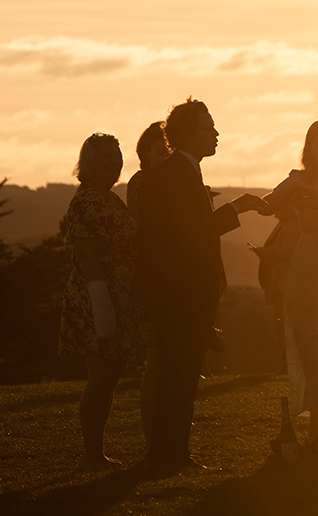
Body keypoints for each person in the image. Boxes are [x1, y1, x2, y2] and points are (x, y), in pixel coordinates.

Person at [136, 98, 265, 474]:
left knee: (178, 375)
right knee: (180, 376)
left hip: (174, 294)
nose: (216, 133)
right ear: (186, 134)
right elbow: (196, 233)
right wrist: (240, 206)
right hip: (180, 295)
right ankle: (169, 455)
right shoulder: (176, 174)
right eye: (208, 127)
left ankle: (168, 454)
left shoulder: (176, 172)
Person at [261, 120, 318, 454]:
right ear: (309, 150)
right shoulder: (299, 179)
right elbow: (268, 204)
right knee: (308, 347)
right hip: (304, 264)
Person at [58, 133, 145, 470]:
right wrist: (101, 303)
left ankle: (96, 453)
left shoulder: (109, 198)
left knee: (110, 376)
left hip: (118, 296)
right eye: (106, 156)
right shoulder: (88, 201)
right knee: (101, 376)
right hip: (98, 297)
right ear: (89, 163)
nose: (115, 162)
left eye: (117, 156)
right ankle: (91, 455)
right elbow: (88, 256)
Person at [125, 122, 170, 453]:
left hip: (167, 276)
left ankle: (165, 430)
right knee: (156, 358)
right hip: (154, 279)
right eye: (159, 150)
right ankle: (152, 434)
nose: (164, 156)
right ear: (144, 153)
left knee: (168, 359)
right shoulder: (142, 183)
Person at [250, 209, 300, 371]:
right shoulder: (284, 225)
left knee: (285, 326)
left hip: (283, 283)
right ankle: (287, 364)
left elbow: (289, 252)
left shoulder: (291, 226)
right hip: (280, 283)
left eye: (279, 209)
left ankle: (289, 364)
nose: (276, 214)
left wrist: (264, 253)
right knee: (282, 325)